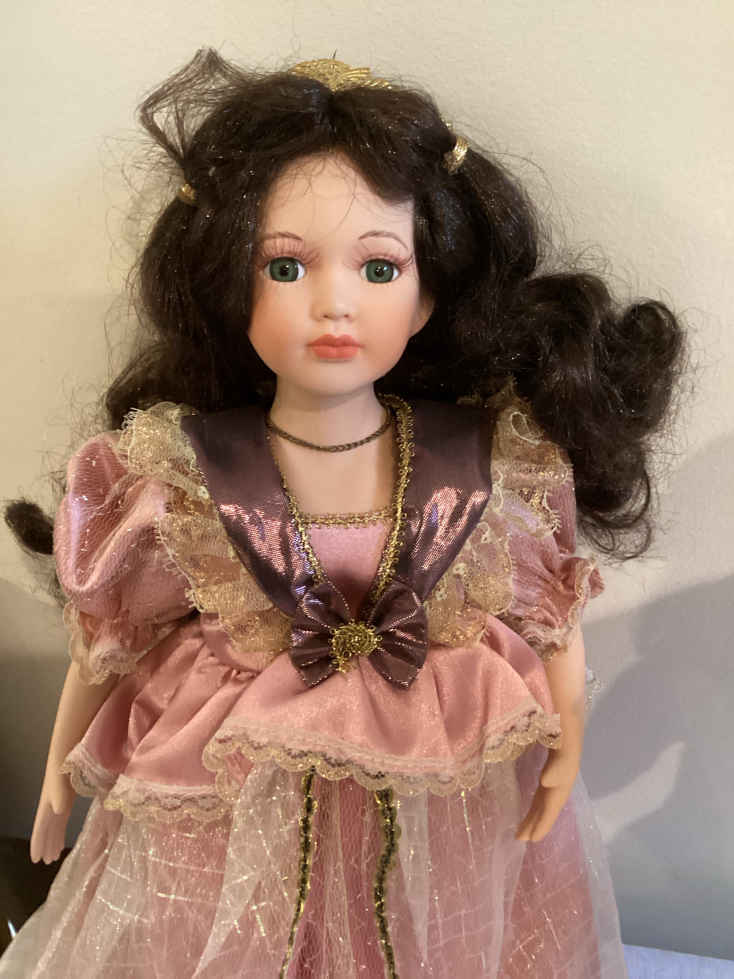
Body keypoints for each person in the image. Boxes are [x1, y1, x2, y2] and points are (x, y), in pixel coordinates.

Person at [1, 51, 684, 977]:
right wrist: (57, 774)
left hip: (443, 788)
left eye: (379, 266)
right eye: (285, 266)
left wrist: (565, 740)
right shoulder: (184, 478)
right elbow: (109, 640)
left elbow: (548, 619)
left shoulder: (489, 470)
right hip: (236, 796)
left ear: (428, 293)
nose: (334, 304)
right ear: (228, 286)